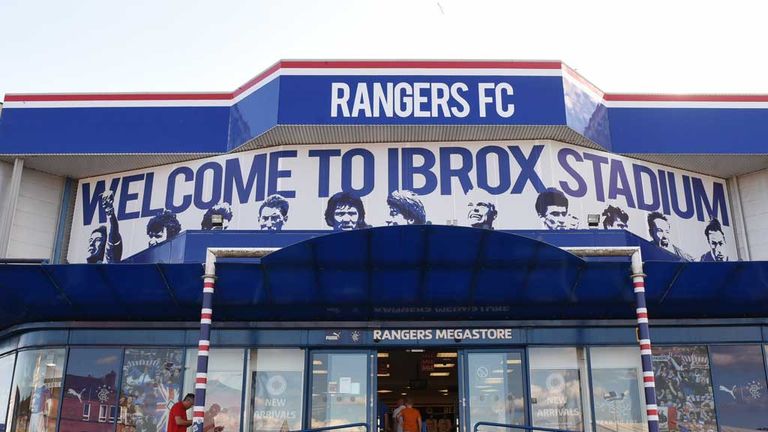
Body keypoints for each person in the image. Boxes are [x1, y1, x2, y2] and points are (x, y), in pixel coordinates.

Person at [87, 191, 122, 263]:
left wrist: (109, 210)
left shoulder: (108, 261)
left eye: (97, 240)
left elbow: (112, 235)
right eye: (90, 241)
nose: (91, 244)